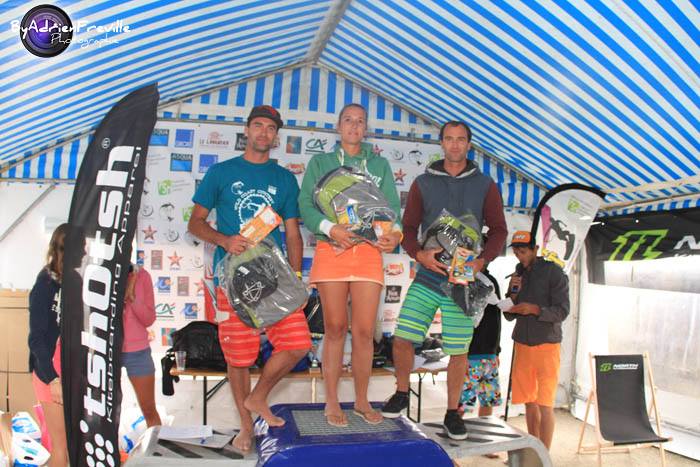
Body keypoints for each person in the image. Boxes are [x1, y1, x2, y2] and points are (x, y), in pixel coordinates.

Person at [188, 105, 311, 452]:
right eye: (258, 125)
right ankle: (246, 427)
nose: (263, 132)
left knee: (298, 344)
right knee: (239, 358)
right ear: (247, 130)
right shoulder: (221, 172)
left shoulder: (285, 179)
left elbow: (293, 234)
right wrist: (224, 240)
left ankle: (258, 397)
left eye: (270, 128)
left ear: (276, 136)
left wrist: (296, 278)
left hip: (275, 279)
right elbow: (195, 223)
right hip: (233, 280)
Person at [381, 120, 507, 440]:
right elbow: (409, 229)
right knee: (403, 338)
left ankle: (453, 413)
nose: (454, 144)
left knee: (459, 350)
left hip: (463, 277)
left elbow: (499, 231)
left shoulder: (485, 184)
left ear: (469, 145)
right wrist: (418, 254)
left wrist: (481, 261)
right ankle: (401, 392)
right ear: (441, 143)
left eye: (461, 139)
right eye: (449, 139)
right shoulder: (423, 182)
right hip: (428, 273)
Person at [298, 103, 402, 427]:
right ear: (338, 126)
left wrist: (394, 234)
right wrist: (332, 229)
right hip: (332, 249)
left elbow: (392, 209)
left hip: (368, 252)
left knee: (363, 332)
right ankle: (331, 400)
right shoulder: (321, 162)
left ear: (366, 128)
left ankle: (361, 400)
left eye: (360, 121)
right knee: (334, 328)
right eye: (348, 120)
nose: (354, 126)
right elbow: (305, 205)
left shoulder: (379, 164)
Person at [504, 230, 570, 450]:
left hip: (547, 345)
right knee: (529, 401)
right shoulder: (517, 273)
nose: (520, 256)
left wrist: (535, 309)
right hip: (522, 344)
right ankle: (535, 450)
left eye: (523, 252)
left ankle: (545, 456)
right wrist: (512, 297)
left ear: (535, 249)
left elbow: (562, 311)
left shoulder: (554, 272)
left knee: (545, 404)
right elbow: (509, 314)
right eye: (516, 252)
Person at [28, 223, 68, 467]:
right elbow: (36, 339)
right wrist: (53, 379)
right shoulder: (45, 283)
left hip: (68, 372)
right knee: (61, 448)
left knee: (68, 448)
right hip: (49, 374)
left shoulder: (71, 281)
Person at [459, 268, 502, 419]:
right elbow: (460, 322)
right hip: (469, 354)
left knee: (488, 401)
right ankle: (454, 426)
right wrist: (461, 354)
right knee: (464, 403)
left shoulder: (491, 280)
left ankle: (485, 427)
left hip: (489, 354)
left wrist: (496, 351)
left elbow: (497, 318)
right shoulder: (462, 280)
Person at [122, 264, 162, 427]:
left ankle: (156, 443)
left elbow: (148, 319)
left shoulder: (142, 275)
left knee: (149, 409)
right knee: (107, 413)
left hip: (138, 352)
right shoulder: (100, 271)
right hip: (106, 351)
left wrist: (132, 296)